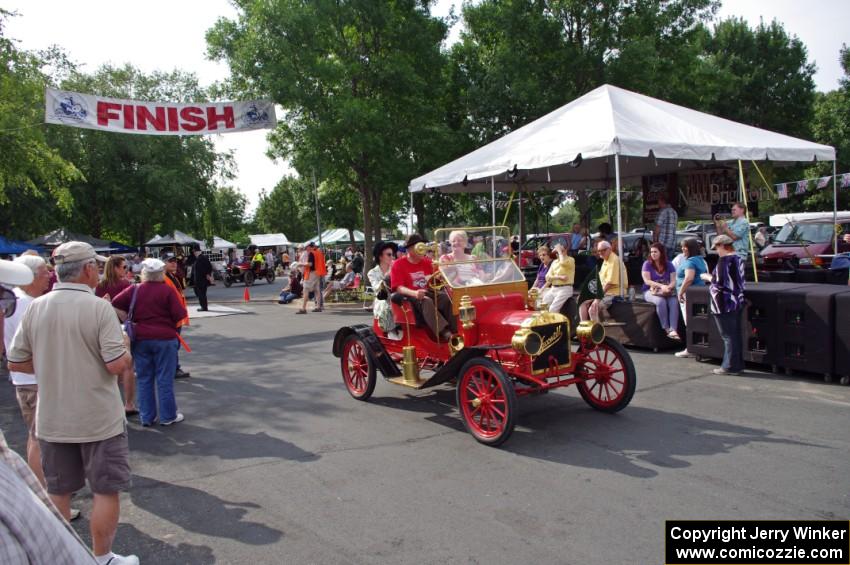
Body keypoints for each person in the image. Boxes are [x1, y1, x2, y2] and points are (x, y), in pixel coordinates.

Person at [7, 242, 139, 565]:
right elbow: (116, 365)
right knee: (105, 490)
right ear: (89, 269)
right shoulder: (98, 308)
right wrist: (125, 345)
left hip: (52, 418)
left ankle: (63, 558)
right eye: (95, 265)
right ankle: (103, 557)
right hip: (98, 419)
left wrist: (54, 366)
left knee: (59, 491)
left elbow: (15, 360)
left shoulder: (38, 306)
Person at [112, 258, 188, 427]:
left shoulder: (135, 289)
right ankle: (168, 416)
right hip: (165, 338)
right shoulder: (167, 290)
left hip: (141, 338)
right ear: (161, 273)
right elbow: (179, 314)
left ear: (144, 273)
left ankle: (147, 416)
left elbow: (115, 302)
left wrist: (127, 318)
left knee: (145, 378)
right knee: (164, 379)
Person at [4, 255, 51, 487]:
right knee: (40, 437)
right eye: (44, 272)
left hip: (26, 378)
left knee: (38, 435)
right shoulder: (26, 305)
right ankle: (45, 492)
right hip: (34, 378)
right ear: (29, 276)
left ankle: (45, 488)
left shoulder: (17, 301)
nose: (49, 275)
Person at [390, 233, 455, 341]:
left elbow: (437, 279)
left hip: (427, 291)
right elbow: (398, 288)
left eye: (424, 246)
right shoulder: (398, 264)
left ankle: (456, 330)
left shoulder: (428, 262)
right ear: (410, 249)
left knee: (446, 298)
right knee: (427, 301)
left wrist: (445, 275)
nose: (423, 250)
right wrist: (414, 293)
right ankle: (444, 332)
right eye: (420, 247)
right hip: (410, 296)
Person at [95, 256, 139, 412]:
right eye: (123, 267)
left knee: (106, 367)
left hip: (102, 328)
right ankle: (129, 403)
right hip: (120, 327)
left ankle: (110, 404)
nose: (125, 270)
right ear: (115, 268)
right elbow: (129, 312)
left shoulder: (99, 285)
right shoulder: (124, 285)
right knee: (127, 366)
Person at [701, 234, 746, 375]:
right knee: (735, 335)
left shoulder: (724, 260)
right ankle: (737, 365)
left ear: (722, 245)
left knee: (727, 336)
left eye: (717, 247)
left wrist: (707, 277)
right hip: (736, 301)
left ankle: (728, 366)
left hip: (723, 303)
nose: (716, 251)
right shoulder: (739, 259)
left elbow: (719, 282)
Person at [674, 237, 709, 358]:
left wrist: (680, 292)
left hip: (688, 295)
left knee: (689, 322)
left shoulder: (690, 262)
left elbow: (689, 278)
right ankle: (698, 346)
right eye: (682, 246)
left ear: (691, 248)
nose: (683, 248)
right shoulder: (700, 260)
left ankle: (690, 348)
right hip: (699, 294)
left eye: (685, 246)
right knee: (697, 321)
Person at [580, 240, 628, 322]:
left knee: (593, 309)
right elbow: (600, 280)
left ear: (609, 249)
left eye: (603, 250)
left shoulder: (614, 260)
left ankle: (596, 333)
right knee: (582, 301)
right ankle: (584, 329)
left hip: (614, 293)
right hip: (604, 292)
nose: (600, 252)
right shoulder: (606, 260)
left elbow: (610, 283)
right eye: (599, 251)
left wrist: (597, 298)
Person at [641, 243, 680, 339]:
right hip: (650, 291)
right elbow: (647, 281)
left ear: (661, 253)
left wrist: (668, 288)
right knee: (660, 301)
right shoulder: (647, 264)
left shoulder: (669, 264)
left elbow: (673, 280)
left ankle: (673, 330)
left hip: (667, 290)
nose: (653, 254)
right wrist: (662, 286)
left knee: (674, 302)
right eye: (651, 252)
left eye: (655, 252)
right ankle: (666, 328)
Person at [164, 253, 191, 379]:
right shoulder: (164, 278)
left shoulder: (172, 276)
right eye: (170, 261)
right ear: (163, 263)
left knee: (174, 343)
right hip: (171, 317)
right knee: (173, 344)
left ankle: (173, 367)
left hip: (176, 317)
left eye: (175, 261)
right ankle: (174, 368)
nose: (174, 263)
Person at [367, 241, 398, 337]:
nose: (392, 257)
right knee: (388, 306)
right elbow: (377, 289)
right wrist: (388, 273)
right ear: (380, 257)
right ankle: (391, 332)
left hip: (397, 297)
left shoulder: (397, 269)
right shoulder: (372, 272)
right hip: (382, 300)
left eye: (393, 255)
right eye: (389, 255)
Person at [541, 243, 575, 313]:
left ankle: (557, 324)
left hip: (565, 288)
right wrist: (558, 277)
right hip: (553, 288)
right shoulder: (554, 262)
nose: (557, 253)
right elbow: (547, 277)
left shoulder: (571, 260)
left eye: (561, 251)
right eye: (556, 252)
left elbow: (563, 263)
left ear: (565, 251)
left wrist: (559, 252)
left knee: (553, 309)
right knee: (542, 306)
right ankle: (547, 323)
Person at [191, 244, 212, 311]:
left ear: (196, 251)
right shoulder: (198, 259)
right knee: (200, 294)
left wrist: (208, 274)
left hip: (202, 280)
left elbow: (209, 267)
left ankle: (204, 307)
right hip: (198, 280)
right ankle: (203, 306)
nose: (194, 253)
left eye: (194, 252)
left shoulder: (203, 258)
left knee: (201, 294)